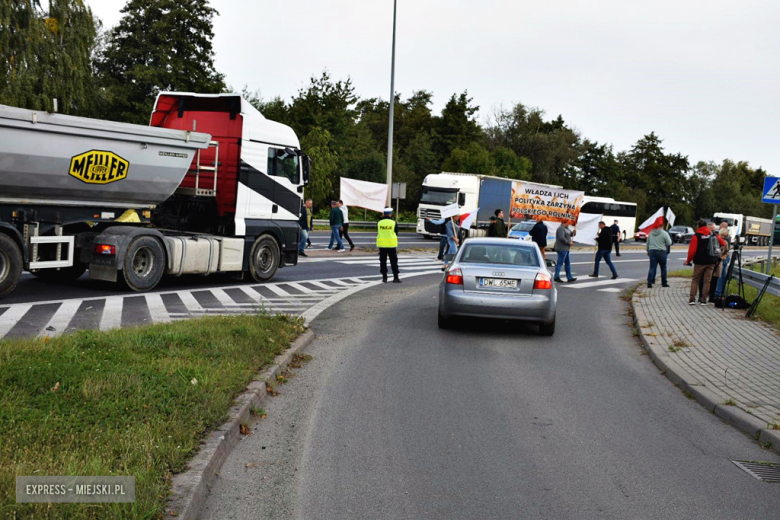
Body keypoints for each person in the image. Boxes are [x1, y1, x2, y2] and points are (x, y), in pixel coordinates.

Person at [685, 219, 726, 305]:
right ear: (706, 226)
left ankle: (692, 299)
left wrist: (688, 261)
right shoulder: (713, 234)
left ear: (698, 226)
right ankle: (703, 300)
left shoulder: (696, 236)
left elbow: (692, 251)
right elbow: (722, 243)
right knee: (707, 281)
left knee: (695, 280)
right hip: (711, 261)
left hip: (699, 262)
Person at [377, 207, 401, 283]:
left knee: (383, 261)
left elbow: (378, 232)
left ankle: (384, 277)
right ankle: (395, 278)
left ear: (384, 214)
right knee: (393, 261)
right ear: (390, 214)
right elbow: (396, 233)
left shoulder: (379, 223)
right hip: (391, 245)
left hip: (382, 245)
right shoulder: (393, 223)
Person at [646, 220, 672, 288]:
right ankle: (664, 283)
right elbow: (669, 243)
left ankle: (649, 282)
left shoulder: (651, 233)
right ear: (662, 226)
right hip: (661, 252)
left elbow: (647, 243)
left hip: (652, 251)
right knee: (663, 267)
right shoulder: (664, 233)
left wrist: (647, 251)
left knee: (652, 267)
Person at [713, 224, 732, 301]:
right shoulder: (716, 240)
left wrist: (723, 257)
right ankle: (718, 292)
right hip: (718, 260)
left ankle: (719, 292)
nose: (724, 238)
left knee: (721, 275)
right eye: (723, 236)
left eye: (725, 236)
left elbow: (727, 252)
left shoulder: (725, 242)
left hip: (722, 260)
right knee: (720, 276)